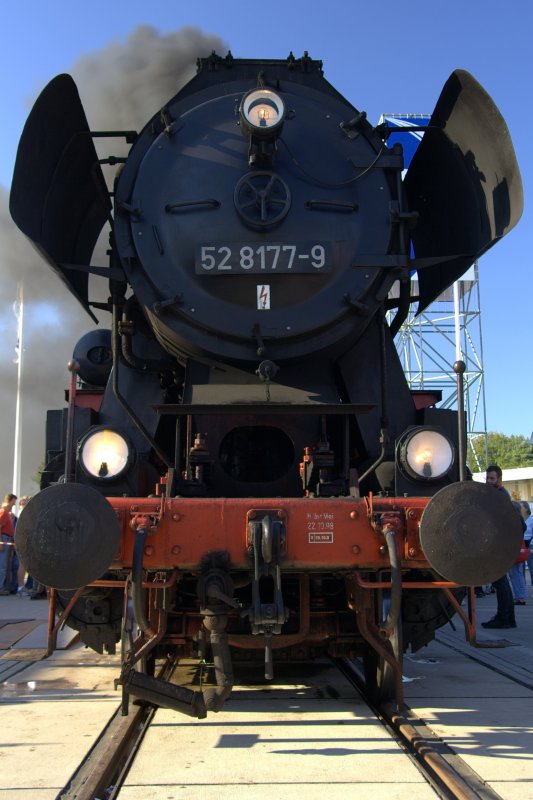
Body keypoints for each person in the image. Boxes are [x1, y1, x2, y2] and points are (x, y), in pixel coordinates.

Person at [481, 465, 517, 629]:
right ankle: (508, 617)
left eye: (492, 479)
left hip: (498, 545)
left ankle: (504, 616)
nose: (489, 482)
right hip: (500, 544)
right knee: (501, 581)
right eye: (487, 478)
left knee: (499, 581)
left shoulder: (500, 496)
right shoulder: (500, 495)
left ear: (499, 479)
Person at [507, 501, 527, 605]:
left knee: (514, 575)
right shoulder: (521, 520)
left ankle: (520, 597)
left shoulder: (512, 521)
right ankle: (522, 595)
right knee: (519, 574)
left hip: (513, 551)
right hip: (519, 550)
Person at [0, 493, 17, 595]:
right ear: (9, 501)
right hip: (4, 539)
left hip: (7, 539)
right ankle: (0, 588)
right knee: (2, 566)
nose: (13, 506)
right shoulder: (3, 512)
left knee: (5, 566)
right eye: (13, 503)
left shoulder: (6, 513)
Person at [521, 500, 533, 589]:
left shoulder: (531, 520)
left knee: (532, 568)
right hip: (521, 545)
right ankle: (522, 589)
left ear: (526, 508)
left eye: (521, 507)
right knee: (520, 570)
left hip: (530, 545)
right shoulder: (519, 519)